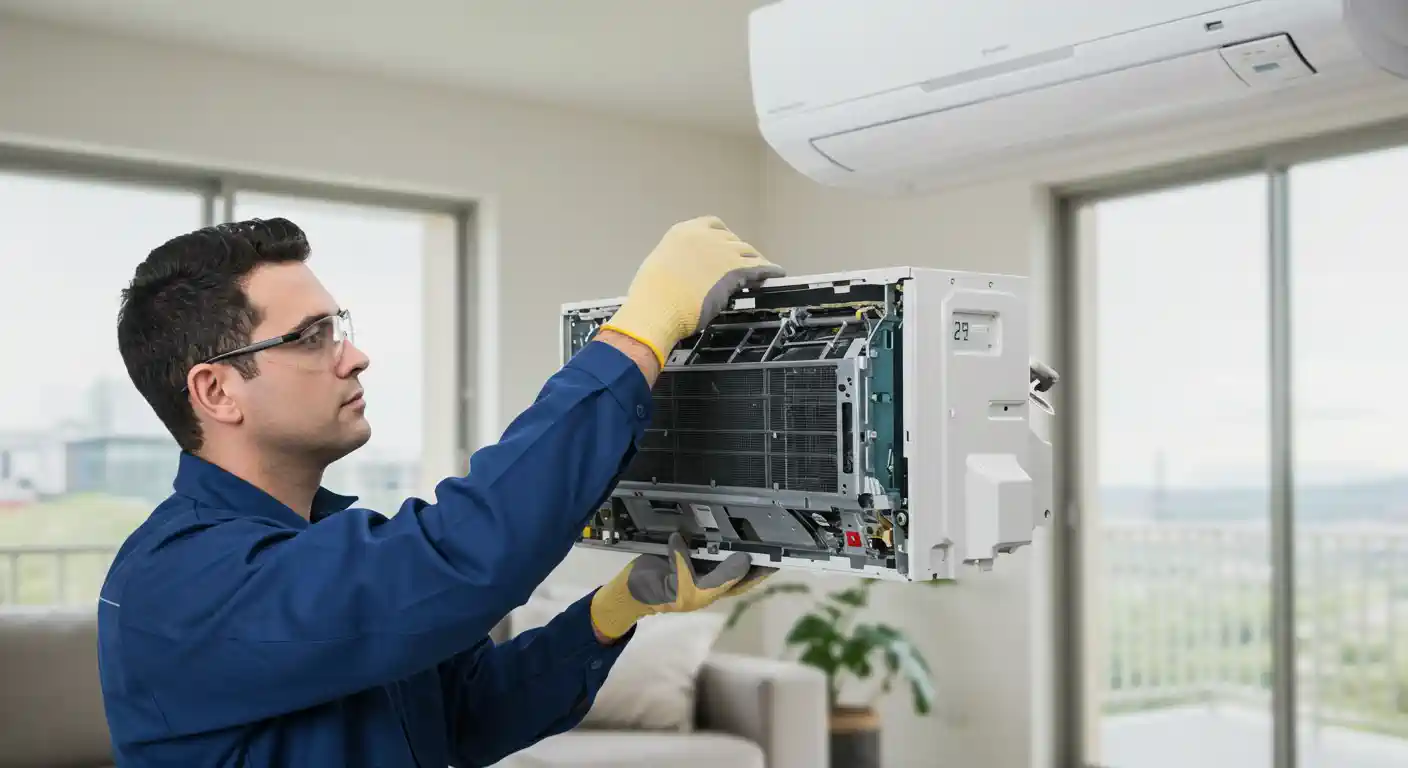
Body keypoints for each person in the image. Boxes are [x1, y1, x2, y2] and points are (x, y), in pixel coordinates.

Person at [99, 214, 786, 767]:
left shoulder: (325, 539)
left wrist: (616, 608)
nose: (353, 354)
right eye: (311, 336)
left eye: (337, 326)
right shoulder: (180, 582)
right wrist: (638, 337)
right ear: (217, 391)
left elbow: (469, 716)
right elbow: (458, 555)